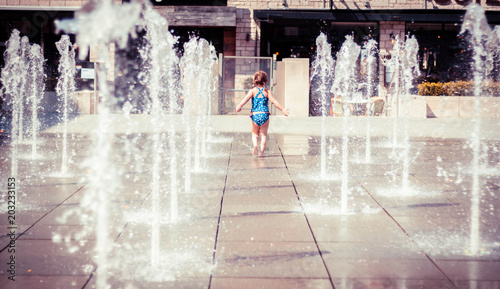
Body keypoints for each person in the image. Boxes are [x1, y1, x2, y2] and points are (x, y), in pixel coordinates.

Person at [236, 70, 289, 157]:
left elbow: (245, 99)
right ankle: (262, 152)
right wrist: (283, 109)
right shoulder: (267, 91)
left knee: (254, 134)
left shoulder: (252, 91)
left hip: (255, 115)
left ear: (254, 81)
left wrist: (239, 106)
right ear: (266, 81)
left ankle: (255, 145)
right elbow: (273, 101)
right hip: (264, 115)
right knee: (263, 135)